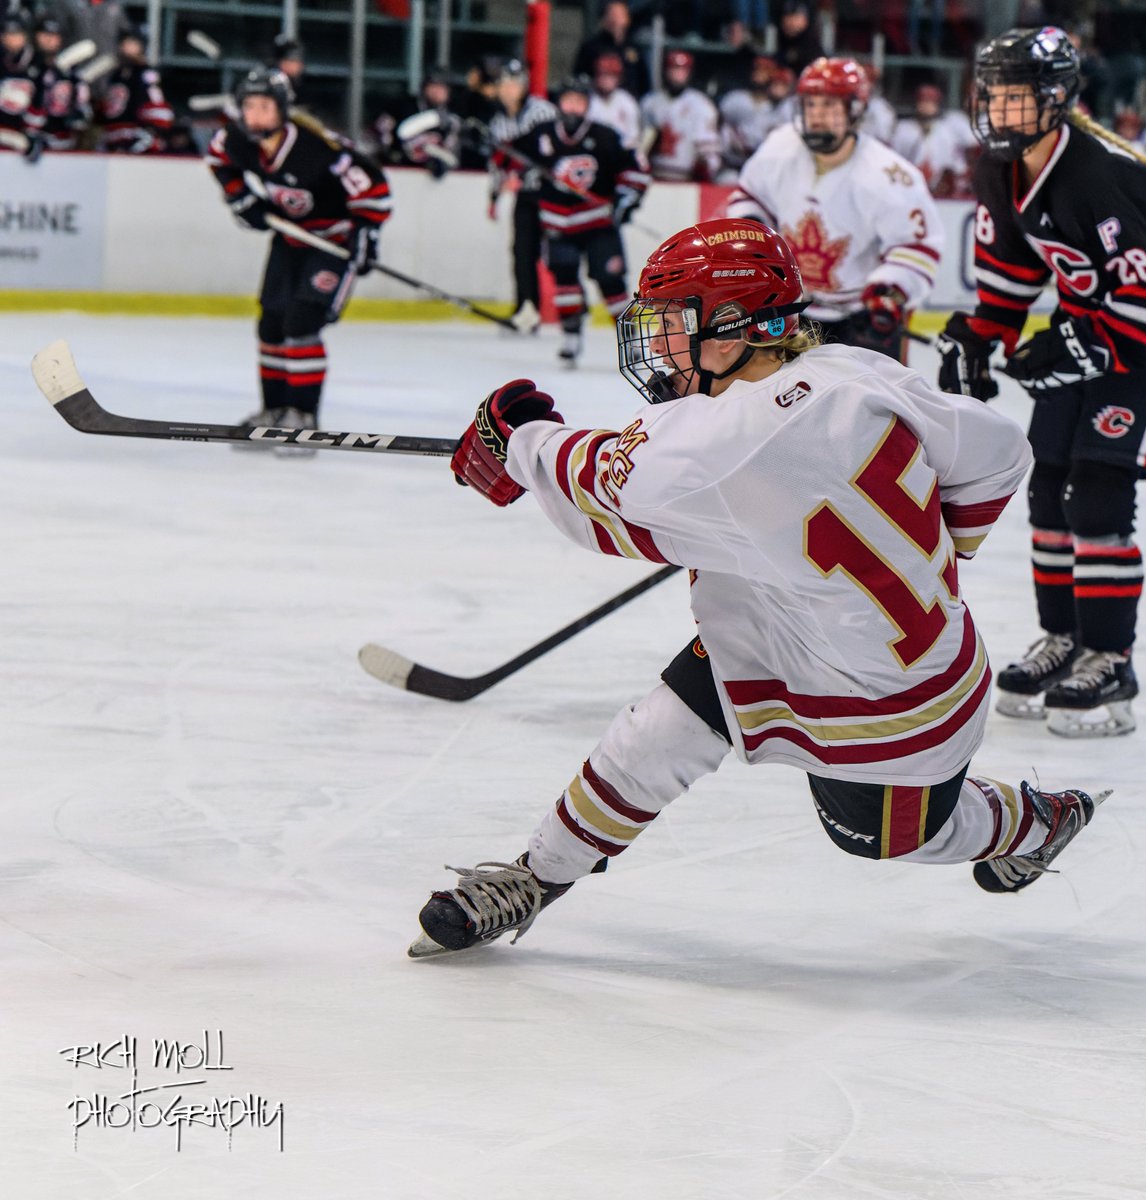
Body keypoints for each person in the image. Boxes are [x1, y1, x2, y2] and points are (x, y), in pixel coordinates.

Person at [408, 219, 1107, 959]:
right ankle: (535, 875)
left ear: (736, 329)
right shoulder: (854, 369)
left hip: (893, 705)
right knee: (655, 734)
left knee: (889, 837)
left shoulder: (713, 447)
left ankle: (1034, 822)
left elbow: (604, 497)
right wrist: (911, 558)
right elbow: (999, 453)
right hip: (808, 626)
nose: (662, 348)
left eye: (677, 327)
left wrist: (518, 441)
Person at [936, 27, 1146, 737]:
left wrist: (1079, 346)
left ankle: (1110, 657)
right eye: (990, 92)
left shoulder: (1102, 173)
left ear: (1056, 99)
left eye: (1014, 95)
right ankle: (1063, 640)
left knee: (1099, 487)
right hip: (1102, 320)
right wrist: (977, 340)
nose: (995, 108)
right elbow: (1008, 286)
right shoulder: (1001, 166)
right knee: (1048, 481)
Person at [204, 65, 391, 446]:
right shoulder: (237, 139)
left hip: (332, 244)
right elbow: (217, 158)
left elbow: (375, 191)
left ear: (283, 109)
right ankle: (273, 411)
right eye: (248, 106)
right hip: (290, 241)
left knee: (301, 322)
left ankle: (305, 416)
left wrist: (365, 235)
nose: (254, 115)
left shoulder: (317, 150)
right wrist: (240, 197)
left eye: (264, 106)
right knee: (271, 322)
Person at [727, 57, 943, 361]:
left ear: (854, 110)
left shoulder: (888, 174)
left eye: (829, 106)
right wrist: (755, 241)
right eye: (811, 105)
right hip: (790, 311)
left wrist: (889, 292)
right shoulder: (780, 148)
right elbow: (749, 197)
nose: (817, 116)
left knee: (869, 407)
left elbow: (916, 246)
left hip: (859, 321)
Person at [499, 77, 649, 365]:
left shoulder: (604, 136)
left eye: (579, 102)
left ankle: (631, 339)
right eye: (568, 100)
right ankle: (571, 335)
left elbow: (636, 170)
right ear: (559, 103)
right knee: (565, 278)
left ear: (587, 106)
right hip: (558, 225)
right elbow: (509, 156)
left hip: (598, 225)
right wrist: (486, 144)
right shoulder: (541, 133)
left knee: (611, 282)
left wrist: (626, 199)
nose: (572, 107)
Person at [486, 59, 557, 334]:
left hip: (550, 193)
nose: (508, 90)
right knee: (522, 252)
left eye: (514, 84)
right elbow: (497, 164)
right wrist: (493, 197)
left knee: (559, 253)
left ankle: (575, 309)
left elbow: (555, 148)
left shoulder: (542, 112)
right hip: (525, 195)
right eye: (504, 84)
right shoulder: (498, 122)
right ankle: (527, 309)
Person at [640, 49, 721, 182]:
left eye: (682, 70)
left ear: (689, 73)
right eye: (674, 69)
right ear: (665, 71)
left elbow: (710, 155)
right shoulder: (650, 103)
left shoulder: (702, 105)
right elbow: (641, 148)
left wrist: (705, 166)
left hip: (687, 177)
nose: (677, 75)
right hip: (654, 175)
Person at [95, 25, 173, 153]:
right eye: (123, 42)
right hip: (113, 138)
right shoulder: (117, 74)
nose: (124, 46)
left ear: (140, 46)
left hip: (136, 138)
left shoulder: (147, 74)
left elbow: (160, 111)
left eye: (130, 42)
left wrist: (146, 133)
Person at [890, 82, 971, 197]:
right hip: (909, 186)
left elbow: (958, 166)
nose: (926, 106)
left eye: (930, 102)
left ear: (937, 104)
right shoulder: (903, 129)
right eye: (923, 101)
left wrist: (948, 179)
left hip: (940, 190)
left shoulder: (947, 130)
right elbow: (894, 160)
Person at [31, 13, 91, 152]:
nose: (48, 40)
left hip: (62, 139)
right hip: (31, 137)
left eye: (53, 36)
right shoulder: (28, 64)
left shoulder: (71, 72)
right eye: (44, 34)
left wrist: (80, 113)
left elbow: (82, 105)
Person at [573, 0, 650, 98]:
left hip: (629, 105)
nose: (616, 20)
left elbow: (643, 82)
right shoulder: (591, 47)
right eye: (612, 14)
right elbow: (579, 77)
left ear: (628, 18)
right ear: (604, 18)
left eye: (620, 14)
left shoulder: (634, 48)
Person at [0, 7, 43, 159]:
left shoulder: (36, 61)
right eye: (8, 34)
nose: (12, 38)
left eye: (16, 34)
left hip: (22, 131)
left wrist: (31, 133)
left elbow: (38, 100)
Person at [586, 51, 641, 150]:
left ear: (619, 78)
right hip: (592, 151)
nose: (607, 80)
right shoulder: (588, 99)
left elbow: (633, 135)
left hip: (620, 153)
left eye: (612, 76)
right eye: (603, 75)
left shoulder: (627, 101)